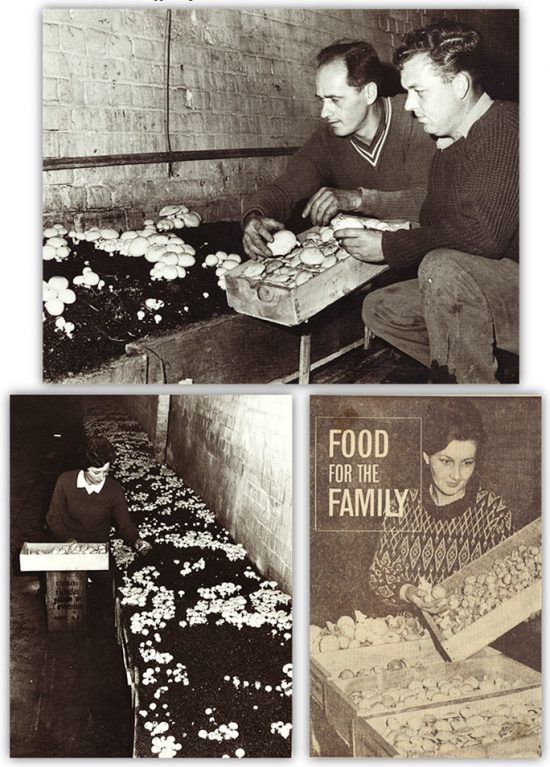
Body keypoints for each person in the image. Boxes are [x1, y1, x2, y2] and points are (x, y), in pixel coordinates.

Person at [343, 20, 518, 383]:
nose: (409, 105)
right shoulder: (454, 142)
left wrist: (391, 245)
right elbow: (434, 219)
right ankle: (473, 372)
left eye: (420, 91)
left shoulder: (506, 126)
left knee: (441, 268)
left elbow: (484, 235)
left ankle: (473, 401)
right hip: (499, 281)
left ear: (460, 85)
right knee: (382, 308)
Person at [242, 39, 435, 258]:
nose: (325, 113)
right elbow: (285, 188)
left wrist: (355, 199)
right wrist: (255, 215)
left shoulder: (415, 119)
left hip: (423, 251)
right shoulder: (328, 138)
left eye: (335, 99)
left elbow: (429, 203)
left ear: (369, 93)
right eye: (322, 100)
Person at [369, 399, 514, 611]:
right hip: (412, 634)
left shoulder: (494, 513)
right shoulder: (401, 504)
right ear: (426, 456)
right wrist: (409, 592)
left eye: (467, 463)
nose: (457, 475)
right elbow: (380, 575)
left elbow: (506, 586)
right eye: (446, 461)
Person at [46, 436, 152, 554]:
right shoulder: (65, 481)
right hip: (68, 543)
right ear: (85, 468)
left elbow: (125, 525)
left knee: (108, 572)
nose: (102, 477)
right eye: (96, 473)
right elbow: (53, 518)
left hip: (98, 546)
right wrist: (67, 539)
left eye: (105, 472)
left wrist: (136, 540)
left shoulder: (113, 489)